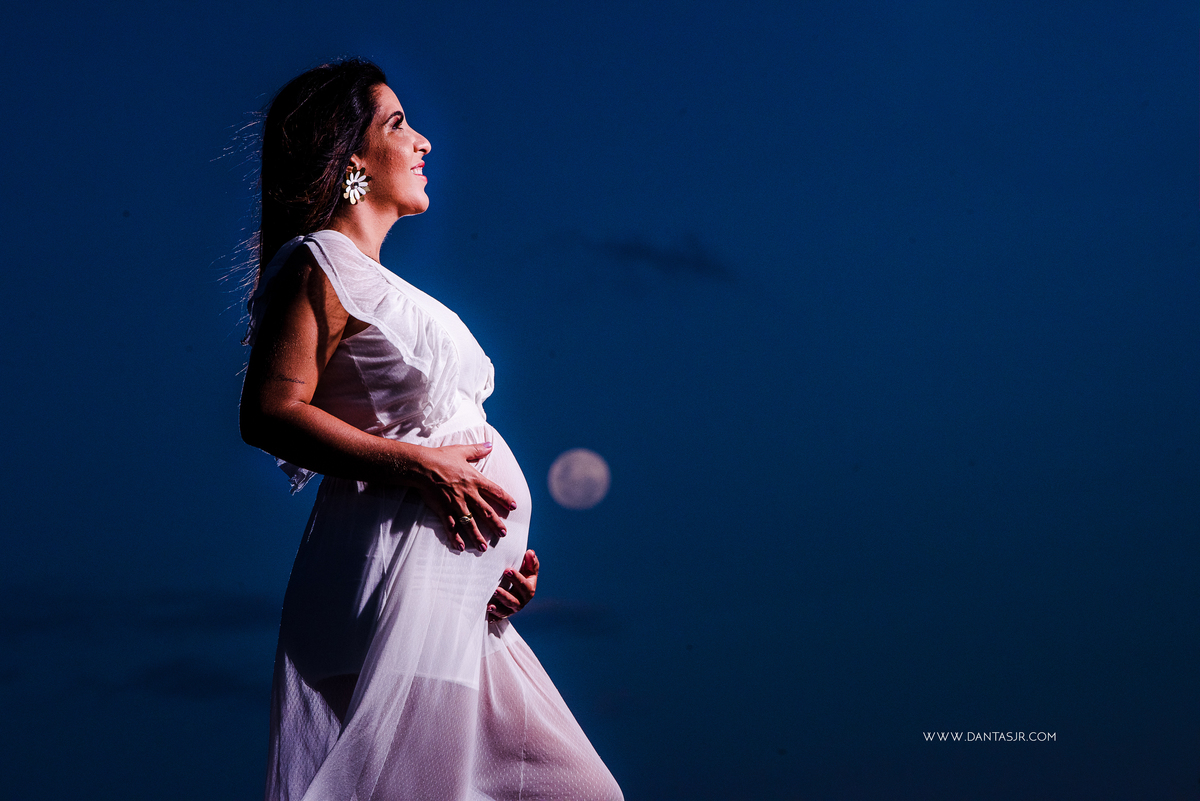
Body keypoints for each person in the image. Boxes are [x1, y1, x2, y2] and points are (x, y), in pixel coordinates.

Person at [239, 59, 623, 801]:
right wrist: (421, 467)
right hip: (390, 590)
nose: (423, 142)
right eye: (397, 124)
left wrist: (490, 566)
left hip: (451, 601)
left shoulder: (376, 281)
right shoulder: (321, 262)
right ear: (351, 160)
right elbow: (270, 411)